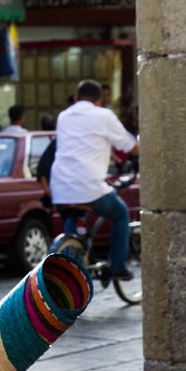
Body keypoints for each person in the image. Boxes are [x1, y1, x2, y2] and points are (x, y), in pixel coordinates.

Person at [49, 79, 138, 281]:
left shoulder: (64, 116)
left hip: (60, 187)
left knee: (74, 215)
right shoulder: (103, 115)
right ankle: (118, 265)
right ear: (99, 100)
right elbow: (127, 144)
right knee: (121, 213)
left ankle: (68, 257)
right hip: (88, 186)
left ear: (76, 98)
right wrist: (139, 151)